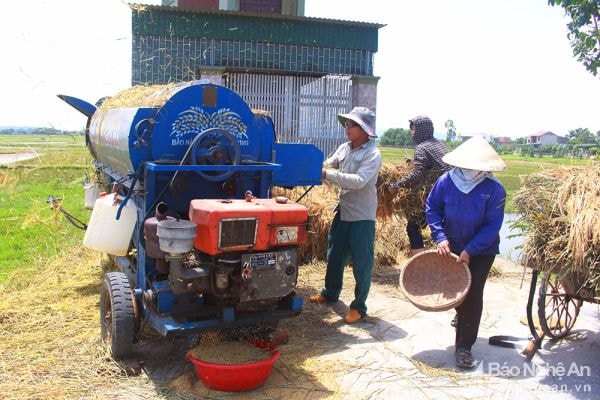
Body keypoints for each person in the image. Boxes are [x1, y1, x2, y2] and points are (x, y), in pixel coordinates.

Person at [425, 136, 507, 369]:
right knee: (455, 288)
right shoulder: (446, 181)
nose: (471, 170)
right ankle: (462, 315)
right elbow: (432, 208)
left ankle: (464, 347)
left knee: (472, 293)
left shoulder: (494, 189)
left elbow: (492, 225)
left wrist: (471, 250)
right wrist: (440, 238)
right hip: (451, 245)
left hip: (482, 250)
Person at [309, 106, 382, 324]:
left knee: (362, 262)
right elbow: (328, 164)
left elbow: (359, 181)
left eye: (351, 125)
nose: (346, 128)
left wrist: (327, 174)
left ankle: (359, 307)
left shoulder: (373, 154)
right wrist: (311, 166)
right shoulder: (344, 148)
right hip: (343, 211)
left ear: (363, 129)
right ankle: (330, 293)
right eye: (347, 124)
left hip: (362, 216)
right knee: (334, 255)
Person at [389, 116, 450, 256]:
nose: (412, 133)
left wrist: (396, 185)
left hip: (433, 195)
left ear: (422, 130)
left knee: (413, 227)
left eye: (414, 129)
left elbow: (417, 174)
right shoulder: (439, 144)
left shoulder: (422, 147)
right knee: (441, 227)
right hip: (449, 194)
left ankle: (420, 263)